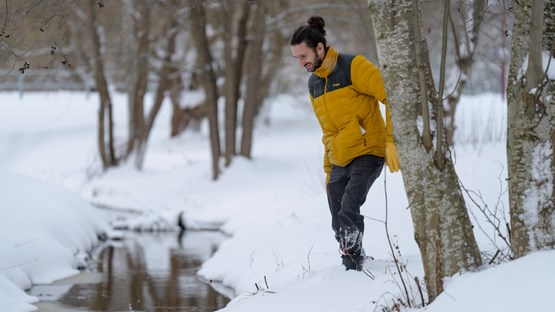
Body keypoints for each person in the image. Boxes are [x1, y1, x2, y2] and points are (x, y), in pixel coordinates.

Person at [290, 16, 401, 271]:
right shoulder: (314, 84)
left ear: (320, 47)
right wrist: (329, 171)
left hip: (367, 152)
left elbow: (392, 96)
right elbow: (327, 132)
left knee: (349, 210)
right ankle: (352, 262)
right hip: (339, 158)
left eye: (303, 55)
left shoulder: (354, 67)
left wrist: (391, 141)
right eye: (296, 58)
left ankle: (353, 270)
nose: (300, 62)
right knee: (337, 217)